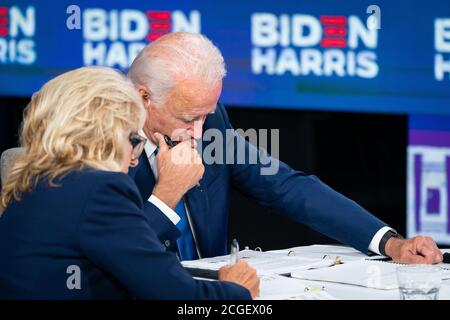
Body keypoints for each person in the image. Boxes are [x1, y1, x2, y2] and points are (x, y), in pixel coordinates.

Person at [127, 32, 443, 264]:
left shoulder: (211, 125)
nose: (198, 132)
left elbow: (285, 187)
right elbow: (113, 252)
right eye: (187, 118)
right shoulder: (97, 144)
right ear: (144, 97)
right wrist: (166, 196)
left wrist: (390, 243)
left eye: (205, 116)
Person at [0, 66, 259, 299]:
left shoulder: (31, 182)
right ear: (104, 135)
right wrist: (237, 290)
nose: (135, 158)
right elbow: (175, 295)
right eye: (133, 138)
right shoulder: (98, 189)